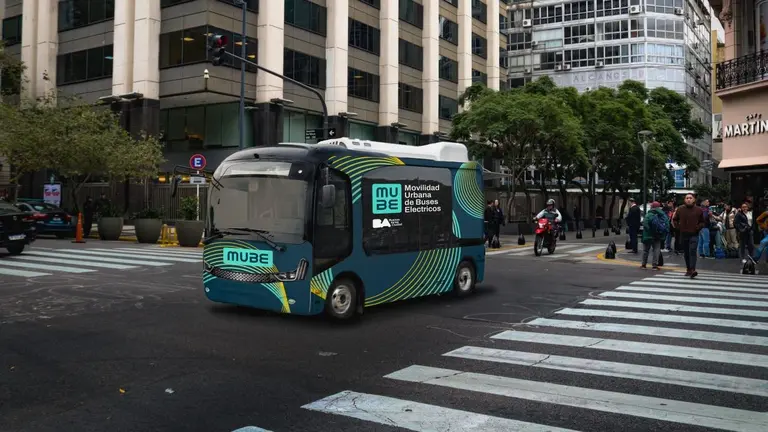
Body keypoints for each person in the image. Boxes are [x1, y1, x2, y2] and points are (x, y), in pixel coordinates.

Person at [672, 193, 706, 278]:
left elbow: (702, 222)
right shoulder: (680, 209)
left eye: (690, 198)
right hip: (684, 234)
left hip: (694, 234)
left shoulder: (698, 210)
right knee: (686, 252)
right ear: (684, 200)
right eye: (687, 198)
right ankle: (688, 269)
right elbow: (675, 219)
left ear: (694, 200)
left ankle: (693, 269)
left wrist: (698, 227)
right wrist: (679, 227)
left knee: (693, 251)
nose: (688, 199)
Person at [641, 201, 668, 270]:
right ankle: (654, 265)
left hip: (648, 236)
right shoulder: (662, 215)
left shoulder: (648, 214)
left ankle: (644, 265)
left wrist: (649, 231)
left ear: (652, 207)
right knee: (656, 250)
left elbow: (645, 224)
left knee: (645, 250)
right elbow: (666, 224)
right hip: (658, 236)